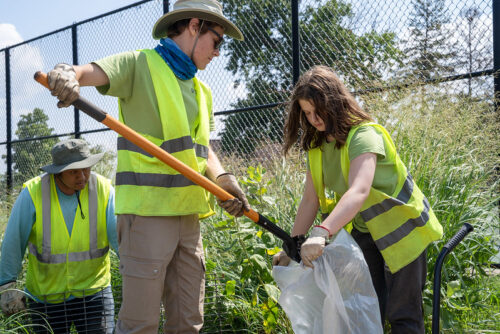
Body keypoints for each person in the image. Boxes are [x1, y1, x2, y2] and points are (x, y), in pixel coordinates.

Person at [46, 0, 250, 332]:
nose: (217, 53)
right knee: (140, 324)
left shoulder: (203, 91)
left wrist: (223, 178)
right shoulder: (139, 64)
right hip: (147, 218)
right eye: (218, 41)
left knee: (188, 321)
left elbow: (203, 150)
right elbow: (85, 73)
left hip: (188, 219)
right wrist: (66, 73)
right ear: (195, 26)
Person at [273, 65, 443, 334]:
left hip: (403, 231)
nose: (314, 119)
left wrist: (321, 232)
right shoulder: (318, 147)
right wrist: (293, 247)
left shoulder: (364, 135)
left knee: (403, 315)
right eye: (307, 113)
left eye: (319, 110)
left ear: (336, 102)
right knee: (366, 308)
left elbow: (359, 190)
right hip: (368, 232)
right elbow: (309, 201)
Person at [0, 138, 118, 333]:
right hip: (46, 297)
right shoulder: (33, 193)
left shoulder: (104, 189)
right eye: (73, 171)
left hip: (94, 292)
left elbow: (121, 238)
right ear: (57, 173)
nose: (82, 176)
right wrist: (6, 285)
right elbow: (14, 240)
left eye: (86, 168)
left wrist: (137, 274)